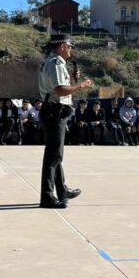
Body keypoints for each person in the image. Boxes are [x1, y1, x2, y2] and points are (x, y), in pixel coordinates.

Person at [37, 33, 92, 208]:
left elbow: (60, 87)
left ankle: (62, 190)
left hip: (54, 111)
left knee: (55, 154)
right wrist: (81, 85)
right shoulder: (55, 64)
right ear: (61, 46)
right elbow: (60, 91)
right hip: (55, 111)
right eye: (69, 46)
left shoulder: (54, 63)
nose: (70, 49)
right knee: (54, 156)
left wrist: (73, 81)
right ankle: (47, 197)